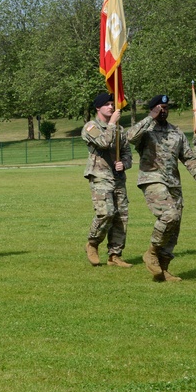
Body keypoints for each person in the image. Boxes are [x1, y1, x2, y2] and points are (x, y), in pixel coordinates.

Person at [127, 95, 196, 282]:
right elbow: (130, 137)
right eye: (159, 108)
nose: (163, 111)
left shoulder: (176, 132)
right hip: (152, 179)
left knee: (174, 228)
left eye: (166, 107)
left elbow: (189, 158)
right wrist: (151, 116)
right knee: (169, 215)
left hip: (173, 183)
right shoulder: (146, 130)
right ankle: (151, 252)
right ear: (152, 109)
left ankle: (163, 270)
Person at [81, 93, 133, 267]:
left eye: (113, 104)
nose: (111, 107)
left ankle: (115, 255)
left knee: (120, 216)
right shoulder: (90, 127)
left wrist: (124, 164)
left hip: (117, 177)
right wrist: (111, 124)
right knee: (106, 213)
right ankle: (93, 243)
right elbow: (103, 142)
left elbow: (126, 152)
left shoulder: (119, 128)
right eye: (107, 104)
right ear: (98, 108)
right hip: (100, 176)